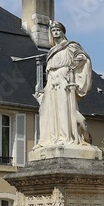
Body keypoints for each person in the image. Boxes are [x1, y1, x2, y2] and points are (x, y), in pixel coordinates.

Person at [35, 21, 92, 149]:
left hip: (63, 78)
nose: (55, 32)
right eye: (53, 30)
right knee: (47, 109)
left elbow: (82, 56)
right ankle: (50, 138)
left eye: (58, 30)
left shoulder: (70, 46)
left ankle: (65, 137)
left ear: (62, 32)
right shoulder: (51, 51)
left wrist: (74, 64)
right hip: (51, 80)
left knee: (63, 108)